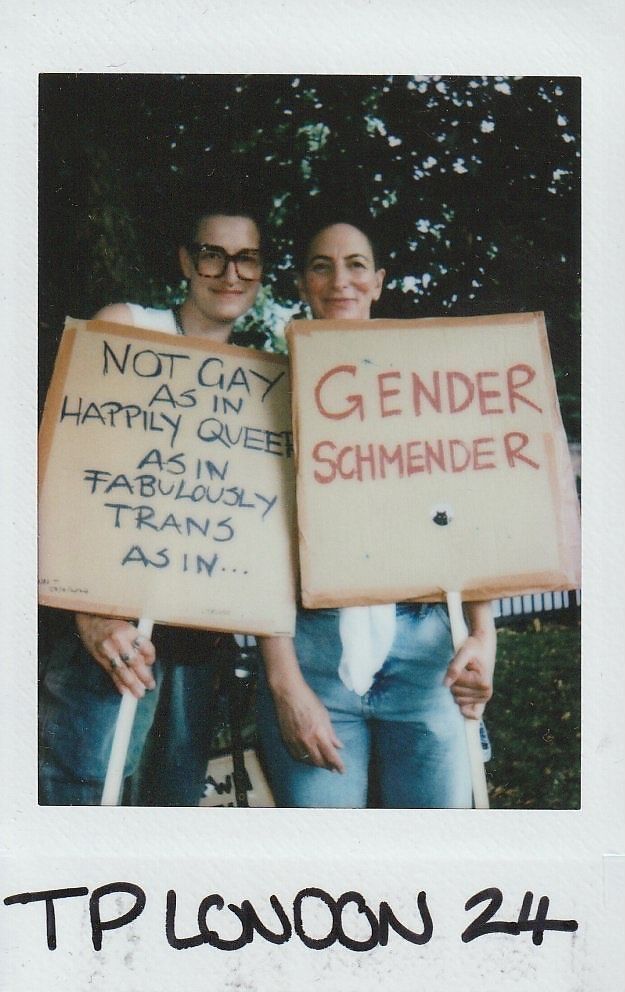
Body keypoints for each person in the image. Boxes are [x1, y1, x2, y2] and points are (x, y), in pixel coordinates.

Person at [255, 214, 496, 808]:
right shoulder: (269, 392)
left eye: (356, 265)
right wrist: (286, 686)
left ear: (380, 280)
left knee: (431, 856)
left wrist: (484, 636)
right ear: (302, 281)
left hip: (426, 657)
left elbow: (469, 514)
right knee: (323, 865)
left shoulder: (426, 383)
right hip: (312, 654)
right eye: (322, 265)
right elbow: (252, 541)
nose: (341, 281)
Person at [39, 198, 265, 805]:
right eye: (213, 254)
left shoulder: (260, 382)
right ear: (187, 261)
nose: (230, 273)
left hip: (198, 650)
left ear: (261, 272)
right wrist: (89, 615)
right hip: (110, 641)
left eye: (247, 258)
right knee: (82, 807)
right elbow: (58, 476)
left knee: (166, 816)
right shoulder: (127, 326)